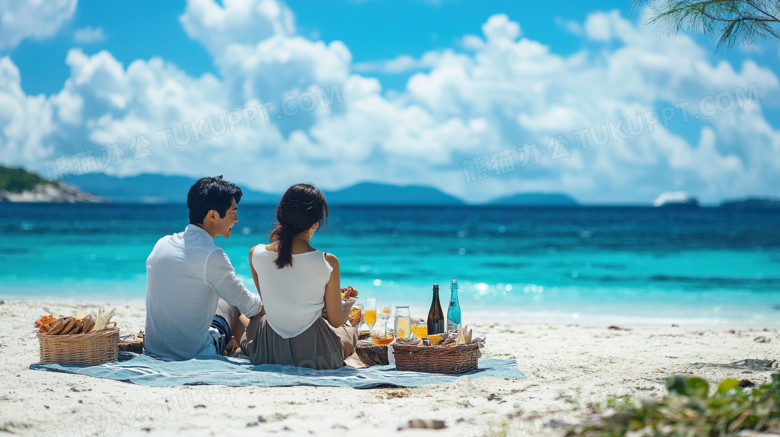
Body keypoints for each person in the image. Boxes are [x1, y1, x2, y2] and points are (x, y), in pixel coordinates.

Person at [239, 183, 357, 370]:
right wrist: (349, 303)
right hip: (319, 356)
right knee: (350, 331)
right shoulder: (328, 261)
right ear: (316, 223)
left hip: (268, 353)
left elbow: (272, 303)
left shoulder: (255, 253)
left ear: (281, 215)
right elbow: (336, 321)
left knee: (250, 320)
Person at [144, 176, 262, 361]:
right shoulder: (212, 255)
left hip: (154, 350)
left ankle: (237, 344)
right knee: (237, 303)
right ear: (213, 215)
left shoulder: (162, 244)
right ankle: (255, 349)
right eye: (233, 212)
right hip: (194, 354)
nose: (237, 219)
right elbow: (251, 307)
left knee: (227, 295)